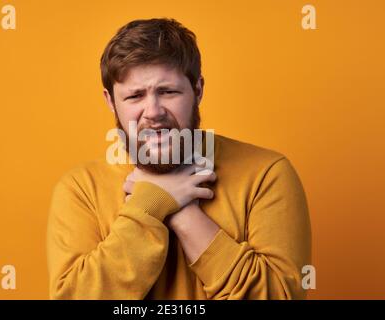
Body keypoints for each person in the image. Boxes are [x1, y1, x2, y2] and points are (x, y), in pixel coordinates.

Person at [47, 18, 312, 299]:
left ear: (197, 90)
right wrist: (150, 204)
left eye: (168, 91)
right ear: (110, 101)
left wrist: (181, 212)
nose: (153, 111)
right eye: (135, 96)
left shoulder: (266, 174)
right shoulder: (80, 189)